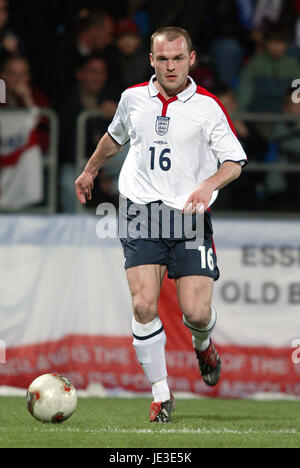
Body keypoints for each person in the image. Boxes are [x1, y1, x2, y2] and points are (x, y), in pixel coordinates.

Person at [75, 27, 247, 423]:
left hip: (188, 216)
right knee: (142, 304)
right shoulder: (133, 98)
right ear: (151, 60)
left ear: (192, 59)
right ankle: (161, 393)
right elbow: (114, 137)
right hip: (140, 212)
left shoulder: (208, 107)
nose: (170, 66)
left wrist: (207, 185)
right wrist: (90, 170)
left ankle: (203, 345)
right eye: (163, 59)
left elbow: (234, 162)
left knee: (196, 312)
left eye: (177, 58)